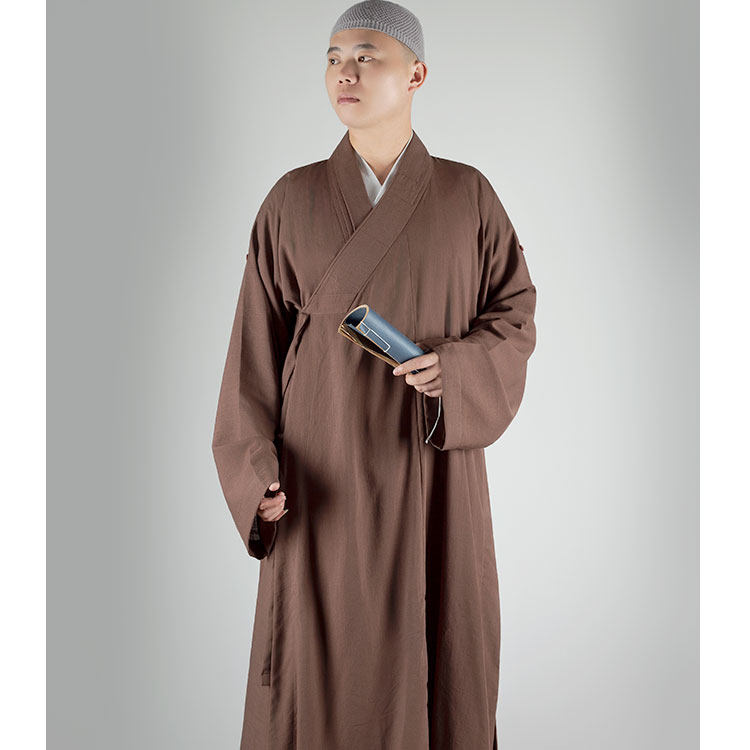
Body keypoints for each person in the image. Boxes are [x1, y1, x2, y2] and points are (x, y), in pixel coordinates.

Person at [211, 1, 537, 747]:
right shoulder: (291, 199)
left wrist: (458, 370)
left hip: (433, 473)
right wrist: (254, 474)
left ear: (416, 74)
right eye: (333, 58)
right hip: (319, 478)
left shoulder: (468, 196)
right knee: (320, 669)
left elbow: (514, 315)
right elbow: (251, 357)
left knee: (441, 646)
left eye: (366, 56)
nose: (344, 73)